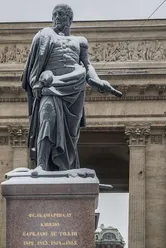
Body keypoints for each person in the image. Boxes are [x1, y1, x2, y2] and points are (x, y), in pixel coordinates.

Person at [22, 4, 113, 172]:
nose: (57, 17)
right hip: (49, 86)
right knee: (47, 119)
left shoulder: (80, 41)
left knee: (70, 136)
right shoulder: (44, 36)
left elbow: (87, 67)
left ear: (70, 19)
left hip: (74, 90)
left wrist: (98, 81)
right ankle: (41, 165)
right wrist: (36, 81)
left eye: (62, 14)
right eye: (55, 14)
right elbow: (32, 66)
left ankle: (64, 167)